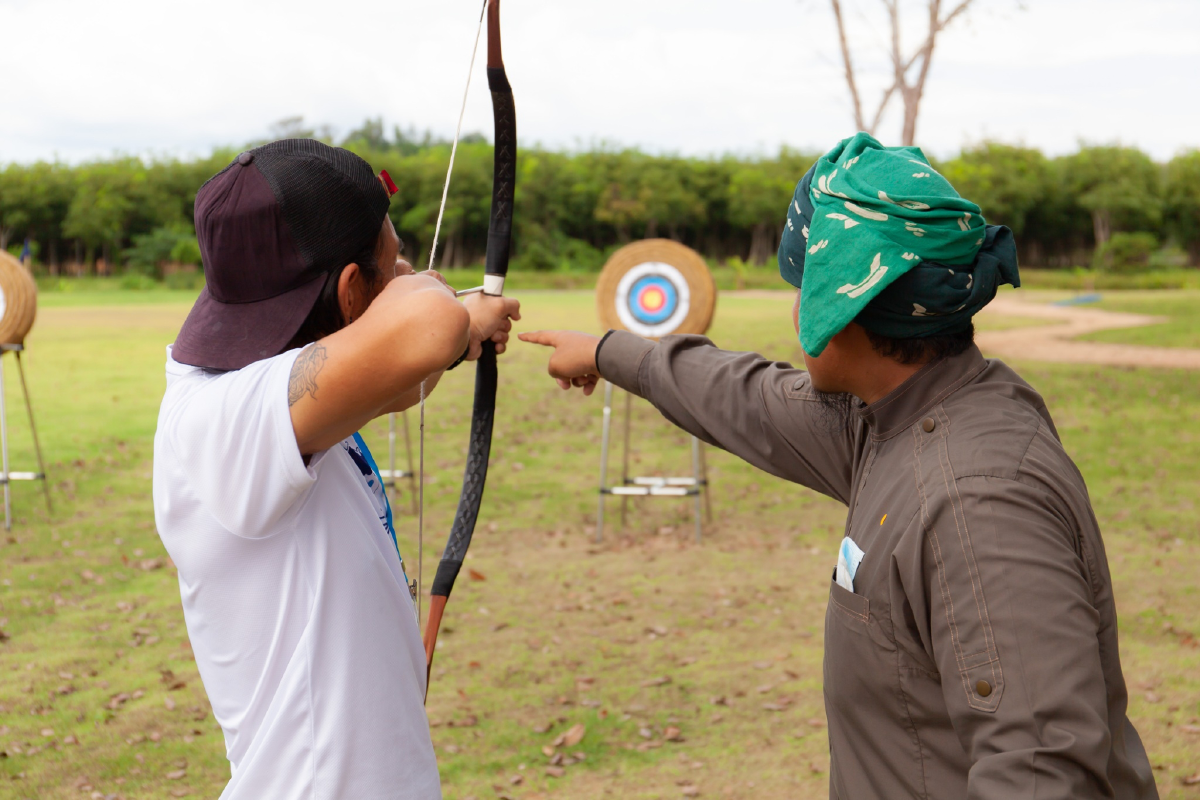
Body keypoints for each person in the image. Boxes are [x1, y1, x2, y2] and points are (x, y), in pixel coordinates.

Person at [521, 133, 1158, 799]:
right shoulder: (897, 413)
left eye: (803, 283)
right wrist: (609, 352)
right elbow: (751, 398)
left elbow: (1040, 773)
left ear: (840, 305)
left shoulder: (979, 502)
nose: (794, 308)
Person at [153, 139, 519, 799]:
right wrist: (448, 310)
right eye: (393, 260)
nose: (408, 270)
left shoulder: (266, 390)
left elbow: (401, 375)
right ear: (352, 293)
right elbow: (424, 326)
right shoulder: (221, 421)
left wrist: (465, 329)